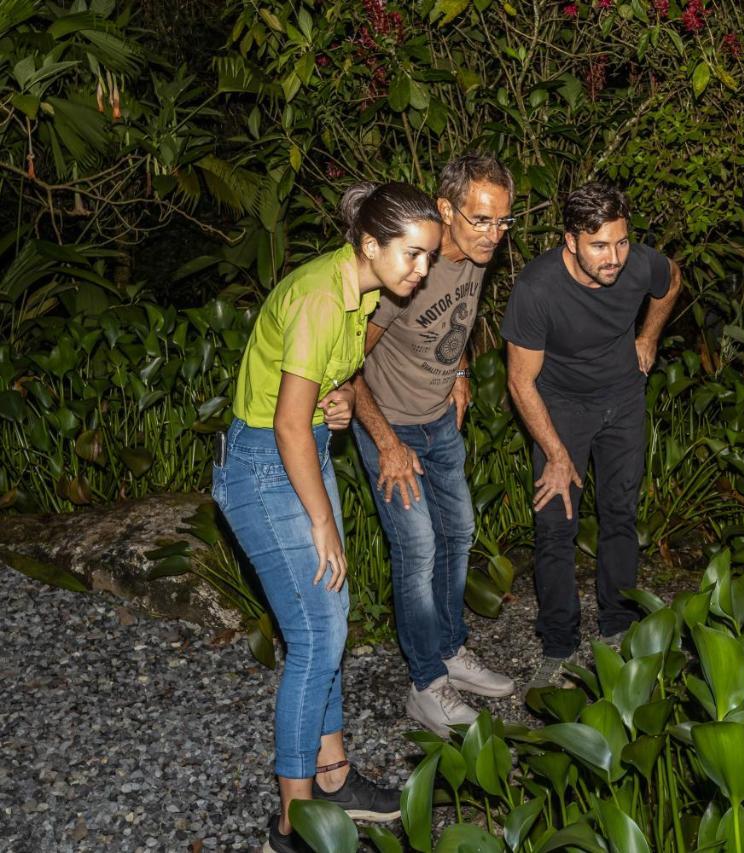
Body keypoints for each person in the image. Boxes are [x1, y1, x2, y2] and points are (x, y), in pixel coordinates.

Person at [212, 182, 442, 853]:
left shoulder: (365, 289)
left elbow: (315, 389)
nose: (422, 270)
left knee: (330, 615)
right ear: (370, 244)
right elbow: (285, 420)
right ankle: (294, 826)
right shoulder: (322, 293)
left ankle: (335, 774)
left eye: (428, 256)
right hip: (265, 463)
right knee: (316, 632)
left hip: (302, 448)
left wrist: (337, 400)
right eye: (413, 254)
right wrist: (319, 519)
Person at [351, 155, 517, 736]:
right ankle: (426, 684)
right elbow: (345, 363)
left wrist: (463, 367)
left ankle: (450, 650)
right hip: (389, 428)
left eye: (503, 223)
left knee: (460, 531)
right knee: (418, 545)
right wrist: (387, 444)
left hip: (440, 422)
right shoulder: (404, 275)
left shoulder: (471, 255)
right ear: (445, 210)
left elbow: (455, 322)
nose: (493, 235)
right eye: (481, 220)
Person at [502, 181, 682, 690]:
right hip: (561, 408)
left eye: (621, 242)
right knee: (556, 523)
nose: (614, 257)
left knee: (621, 512)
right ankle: (559, 643)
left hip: (624, 400)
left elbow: (671, 281)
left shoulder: (637, 262)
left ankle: (619, 623)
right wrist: (557, 453)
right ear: (571, 241)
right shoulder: (538, 289)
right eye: (600, 245)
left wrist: (648, 336)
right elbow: (520, 381)